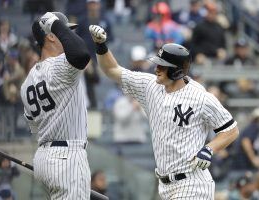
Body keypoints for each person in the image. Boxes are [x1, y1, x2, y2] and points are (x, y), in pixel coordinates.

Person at [89, 25, 239, 199]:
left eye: (163, 66)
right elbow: (112, 70)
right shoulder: (149, 85)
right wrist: (101, 46)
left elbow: (231, 130)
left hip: (192, 183)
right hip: (165, 185)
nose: (156, 69)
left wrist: (209, 149)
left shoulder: (201, 97)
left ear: (177, 71)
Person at [20, 12, 91, 199]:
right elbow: (82, 54)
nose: (70, 36)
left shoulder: (27, 82)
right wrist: (55, 23)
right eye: (66, 31)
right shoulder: (60, 65)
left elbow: (34, 127)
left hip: (44, 158)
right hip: (68, 157)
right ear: (51, 35)